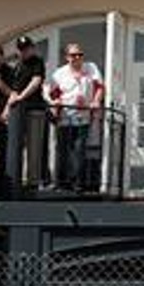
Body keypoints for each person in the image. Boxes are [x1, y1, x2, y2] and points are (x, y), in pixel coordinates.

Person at [46, 42, 104, 192]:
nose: (77, 57)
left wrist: (96, 101)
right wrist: (56, 102)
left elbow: (99, 87)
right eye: (73, 55)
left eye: (80, 54)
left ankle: (77, 183)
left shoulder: (91, 68)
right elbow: (53, 93)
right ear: (67, 57)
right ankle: (60, 182)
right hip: (65, 116)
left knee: (79, 150)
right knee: (63, 151)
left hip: (83, 116)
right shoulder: (59, 73)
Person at [2, 35, 51, 189]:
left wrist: (21, 98)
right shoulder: (17, 66)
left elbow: (36, 82)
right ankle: (18, 180)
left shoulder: (37, 61)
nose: (24, 51)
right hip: (19, 112)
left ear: (32, 48)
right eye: (21, 49)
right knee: (18, 145)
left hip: (34, 109)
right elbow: (13, 91)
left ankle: (33, 181)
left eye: (27, 48)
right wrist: (7, 109)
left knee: (34, 146)